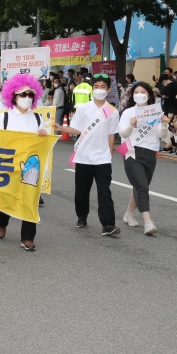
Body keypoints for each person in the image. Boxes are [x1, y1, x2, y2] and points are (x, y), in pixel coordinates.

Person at [55, 73, 122, 236]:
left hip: (102, 159)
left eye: (103, 87)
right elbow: (76, 129)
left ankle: (108, 224)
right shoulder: (84, 108)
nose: (99, 90)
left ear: (108, 90)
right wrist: (61, 128)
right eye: (96, 87)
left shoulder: (112, 111)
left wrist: (109, 154)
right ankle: (82, 215)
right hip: (83, 157)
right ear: (92, 89)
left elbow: (111, 134)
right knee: (81, 192)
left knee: (104, 192)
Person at [0, 73, 49, 252]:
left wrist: (43, 135)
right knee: (9, 198)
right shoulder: (4, 117)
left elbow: (44, 142)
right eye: (23, 94)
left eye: (30, 94)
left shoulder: (38, 118)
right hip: (9, 164)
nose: (27, 97)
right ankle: (2, 222)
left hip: (31, 166)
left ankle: (27, 237)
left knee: (30, 200)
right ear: (14, 96)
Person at [119, 81, 169, 235]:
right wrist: (131, 125)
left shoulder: (156, 111)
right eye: (136, 92)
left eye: (143, 92)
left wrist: (164, 124)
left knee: (140, 185)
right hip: (131, 151)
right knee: (142, 187)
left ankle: (129, 214)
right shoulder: (128, 112)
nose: (139, 95)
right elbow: (122, 134)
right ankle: (148, 222)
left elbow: (162, 135)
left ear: (149, 94)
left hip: (150, 152)